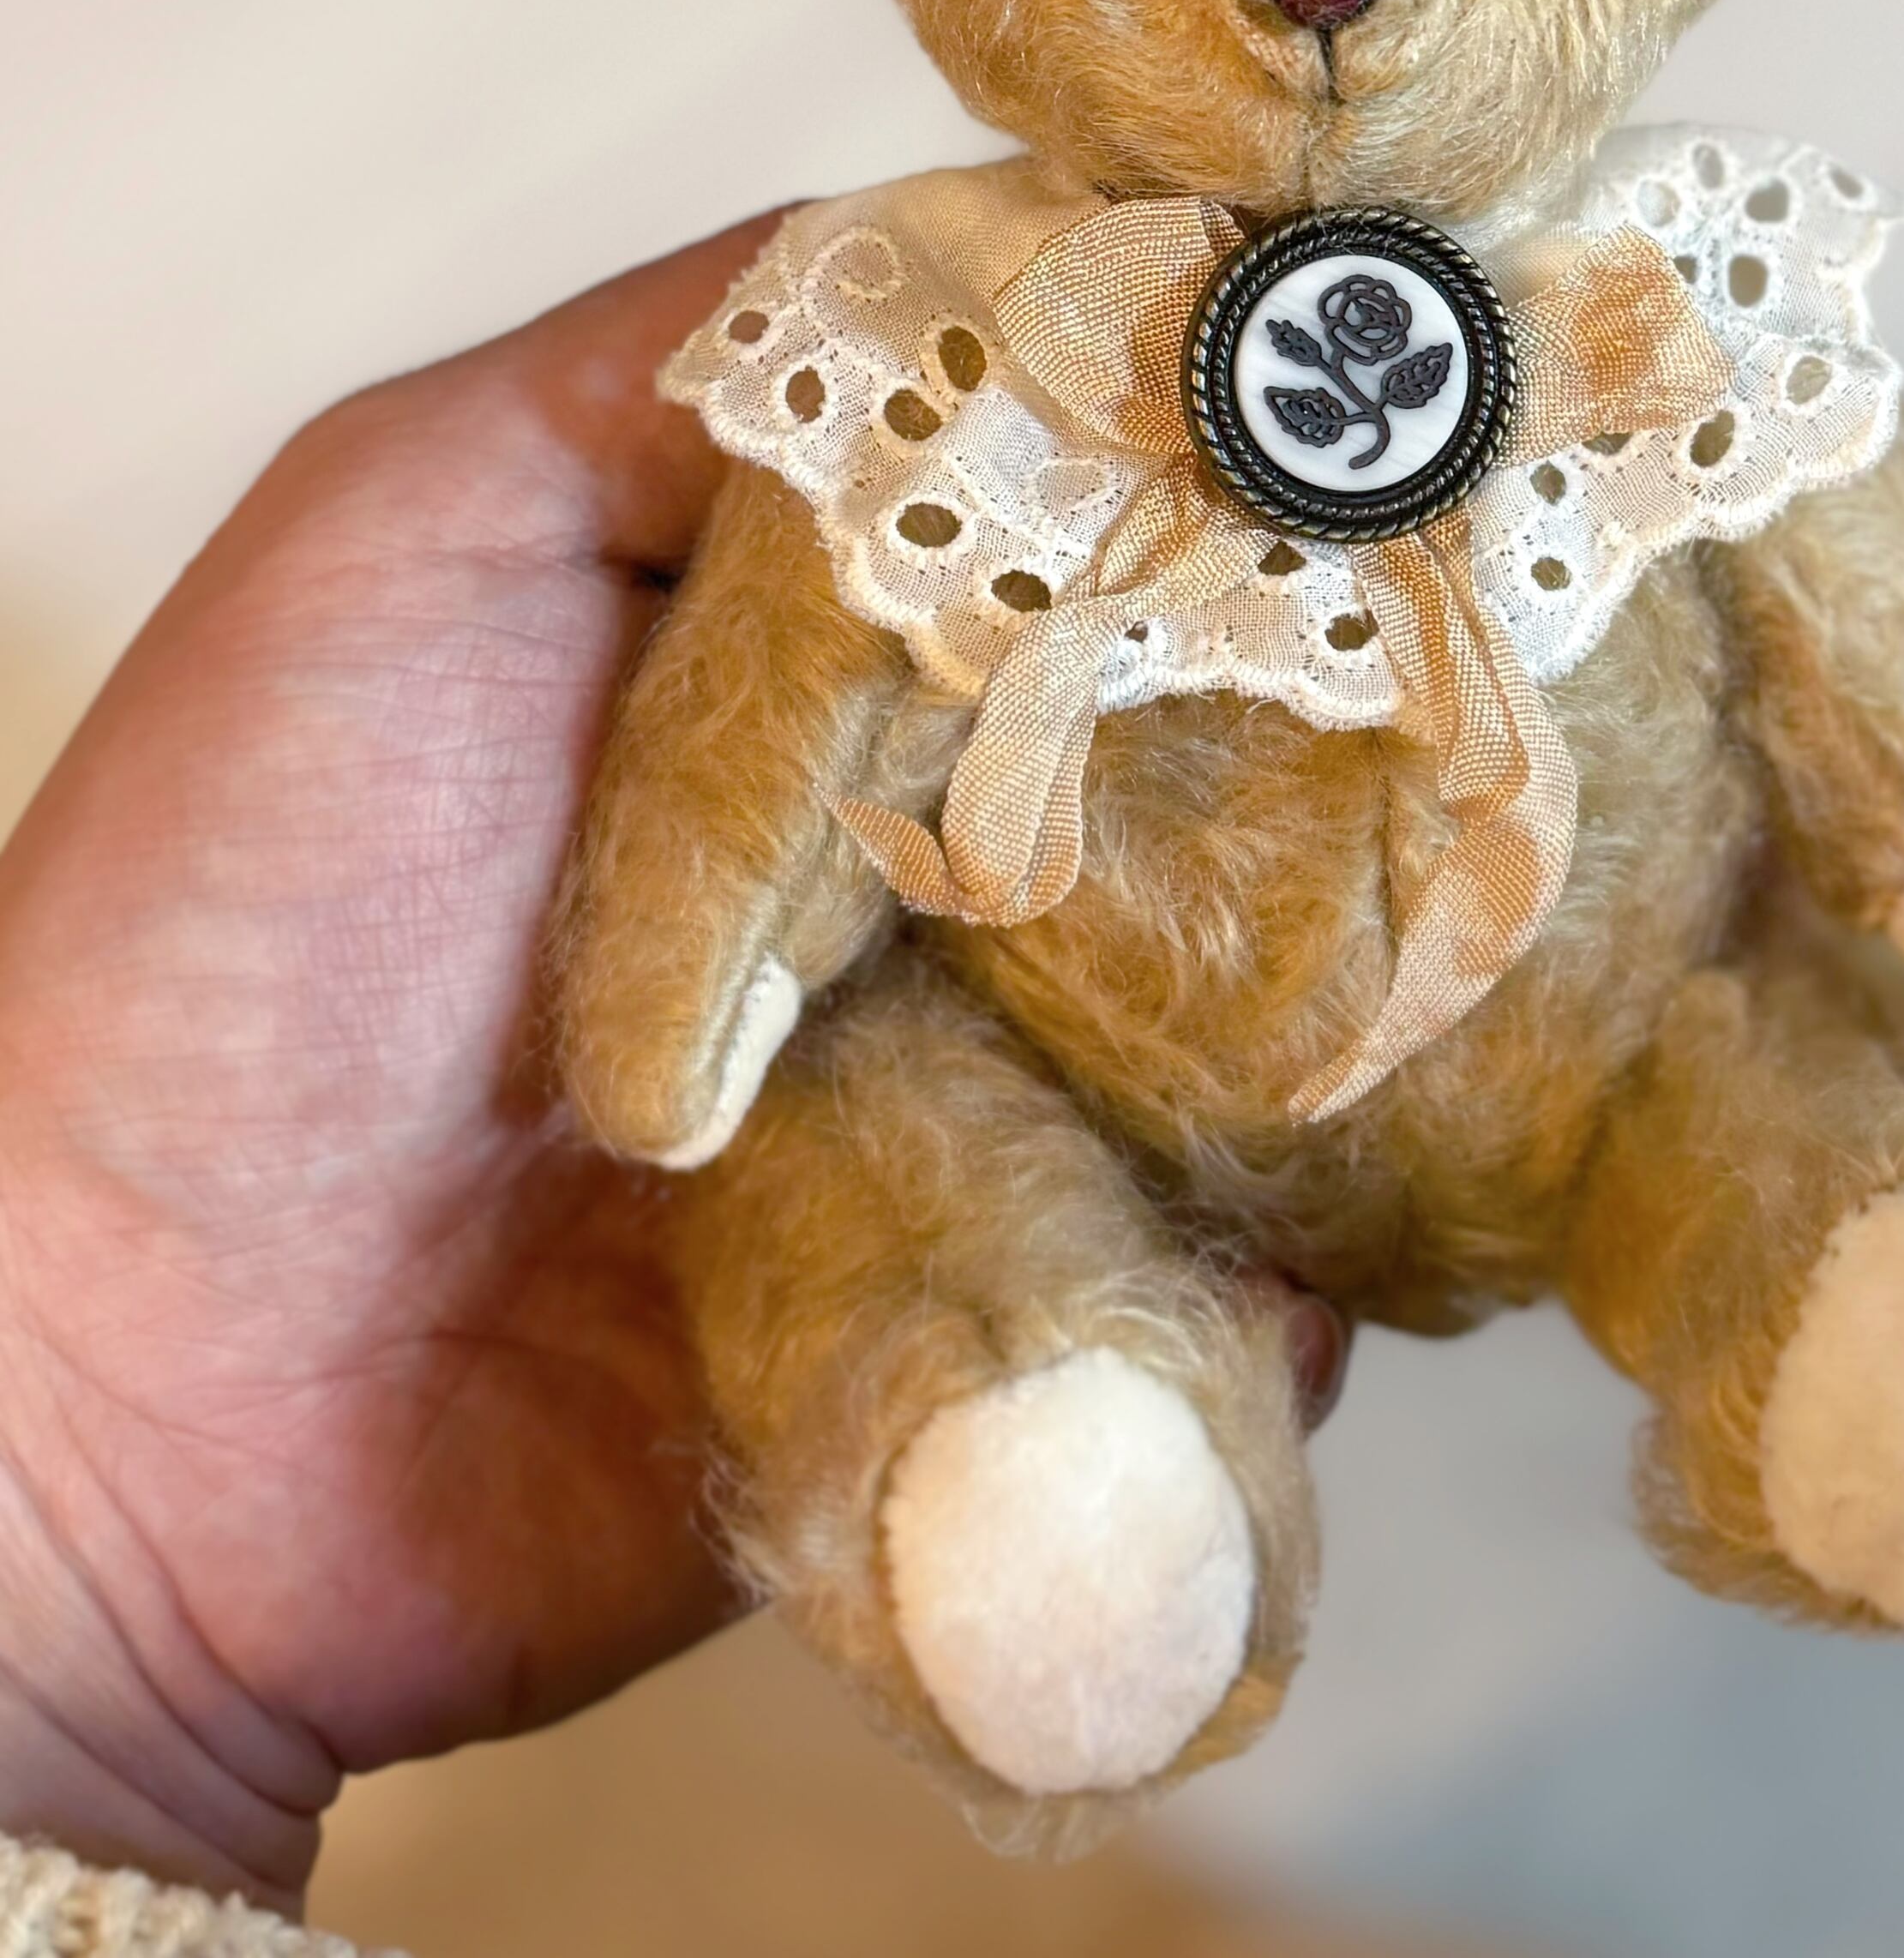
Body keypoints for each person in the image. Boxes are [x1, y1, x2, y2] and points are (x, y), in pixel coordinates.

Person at [0, 231, 1347, 1954]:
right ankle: (1015, 1395)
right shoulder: (933, 355)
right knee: (897, 1138)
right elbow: (773, 733)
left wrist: (74, 1489)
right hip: (907, 1029)